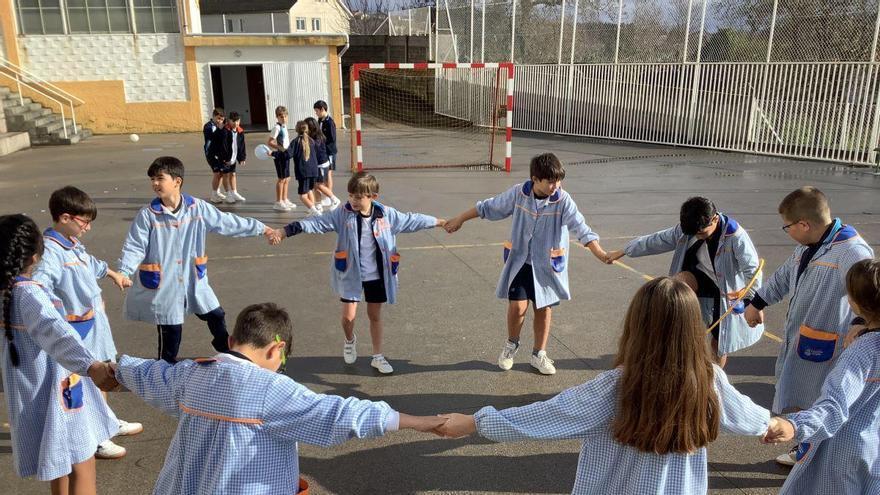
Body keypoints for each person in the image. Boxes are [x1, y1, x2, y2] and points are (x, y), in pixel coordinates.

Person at [436, 277, 771, 495]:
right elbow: (752, 418)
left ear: (636, 326)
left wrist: (475, 422)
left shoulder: (614, 387)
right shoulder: (710, 382)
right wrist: (783, 425)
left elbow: (546, 416)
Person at [112, 302, 446, 494]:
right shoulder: (272, 390)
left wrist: (111, 368)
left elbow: (143, 373)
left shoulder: (190, 373)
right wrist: (423, 423)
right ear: (278, 349)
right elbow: (339, 414)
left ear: (231, 340)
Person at [743, 186, 874, 466]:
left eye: (787, 226)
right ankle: (806, 447)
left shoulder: (851, 250)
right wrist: (758, 302)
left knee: (821, 400)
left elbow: (869, 289)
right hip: (805, 340)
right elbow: (782, 277)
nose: (787, 231)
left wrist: (861, 322)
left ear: (804, 224)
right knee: (799, 394)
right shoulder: (807, 247)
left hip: (828, 344)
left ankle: (813, 456)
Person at [444, 153, 608, 375]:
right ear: (535, 179)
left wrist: (599, 251)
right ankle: (512, 344)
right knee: (517, 306)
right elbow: (489, 207)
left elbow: (581, 227)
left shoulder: (563, 200)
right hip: (521, 261)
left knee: (543, 308)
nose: (555, 186)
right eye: (550, 181)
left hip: (547, 265)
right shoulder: (519, 194)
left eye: (558, 180)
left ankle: (539, 354)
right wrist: (460, 218)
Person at [268, 172, 445, 374]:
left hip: (377, 275)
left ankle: (378, 356)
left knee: (374, 315)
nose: (353, 200)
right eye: (351, 195)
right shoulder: (342, 214)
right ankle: (350, 340)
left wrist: (438, 222)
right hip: (351, 273)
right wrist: (284, 231)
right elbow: (315, 223)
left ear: (373, 197)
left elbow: (412, 220)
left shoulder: (386, 214)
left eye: (359, 197)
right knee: (348, 317)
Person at [0, 214, 118, 494]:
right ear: (35, 257)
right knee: (82, 459)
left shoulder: (7, 291)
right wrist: (92, 366)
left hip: (31, 390)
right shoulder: (29, 293)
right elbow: (56, 332)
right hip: (59, 392)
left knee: (60, 461)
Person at [117, 156, 275, 363]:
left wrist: (261, 228)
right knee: (171, 331)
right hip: (165, 284)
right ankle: (164, 371)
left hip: (194, 279)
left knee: (216, 315)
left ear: (177, 181)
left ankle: (225, 351)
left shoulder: (198, 209)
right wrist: (123, 270)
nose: (155, 184)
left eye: (159, 178)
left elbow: (228, 223)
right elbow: (134, 245)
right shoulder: (148, 215)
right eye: (152, 180)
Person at [33, 186, 143, 460]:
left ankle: (105, 422)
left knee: (102, 375)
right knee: (85, 383)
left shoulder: (72, 245)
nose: (88, 228)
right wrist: (59, 318)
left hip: (96, 327)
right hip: (77, 330)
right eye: (84, 221)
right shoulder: (51, 252)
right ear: (66, 217)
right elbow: (40, 288)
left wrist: (113, 274)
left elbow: (91, 263)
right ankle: (96, 439)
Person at [762, 259, 880, 493]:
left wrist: (793, 425)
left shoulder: (861, 352)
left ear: (855, 303)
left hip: (845, 452)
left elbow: (835, 406)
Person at [606, 197, 763, 367]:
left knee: (720, 342)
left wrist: (754, 304)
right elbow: (656, 240)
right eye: (694, 234)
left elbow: (753, 271)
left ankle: (713, 381)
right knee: (677, 285)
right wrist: (624, 250)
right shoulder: (686, 229)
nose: (697, 236)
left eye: (701, 233)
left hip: (725, 290)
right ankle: (673, 334)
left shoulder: (735, 236)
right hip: (698, 276)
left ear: (715, 219)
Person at [273, 121, 321, 217]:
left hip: (304, 172)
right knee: (309, 190)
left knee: (302, 196)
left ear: (296, 129)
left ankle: (315, 211)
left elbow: (287, 154)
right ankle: (312, 210)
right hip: (314, 171)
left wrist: (273, 154)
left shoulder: (296, 142)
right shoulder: (312, 141)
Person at [209, 111, 247, 204]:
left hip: (233, 158)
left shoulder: (240, 131)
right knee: (225, 175)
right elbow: (221, 145)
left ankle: (234, 192)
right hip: (224, 158)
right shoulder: (224, 131)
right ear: (229, 121)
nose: (236, 123)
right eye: (233, 121)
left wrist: (242, 158)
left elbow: (241, 146)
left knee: (233, 174)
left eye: (238, 121)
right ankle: (228, 194)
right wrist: (224, 158)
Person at [304, 116, 341, 210]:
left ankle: (334, 199)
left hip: (321, 165)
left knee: (318, 185)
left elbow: (314, 153)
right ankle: (319, 204)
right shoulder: (317, 137)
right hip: (319, 164)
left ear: (311, 128)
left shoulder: (316, 139)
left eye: (306, 127)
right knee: (316, 186)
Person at [268, 105, 295, 212]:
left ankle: (284, 199)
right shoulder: (277, 128)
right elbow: (270, 142)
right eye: (281, 117)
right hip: (280, 156)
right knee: (281, 179)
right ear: (277, 117)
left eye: (285, 116)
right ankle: (278, 202)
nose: (283, 119)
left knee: (287, 178)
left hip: (286, 155)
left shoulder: (284, 127)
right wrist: (281, 149)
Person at [314, 100, 337, 207]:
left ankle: (329, 197)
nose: (316, 113)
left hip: (329, 152)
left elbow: (332, 138)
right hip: (323, 152)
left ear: (323, 109)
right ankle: (326, 196)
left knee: (328, 174)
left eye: (317, 111)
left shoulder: (329, 122)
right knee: (323, 175)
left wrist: (322, 143)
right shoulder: (319, 120)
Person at [203, 108, 227, 203]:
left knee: (221, 173)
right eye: (218, 118)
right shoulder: (208, 126)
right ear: (213, 116)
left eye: (221, 119)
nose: (220, 121)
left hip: (219, 153)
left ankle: (217, 191)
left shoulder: (220, 126)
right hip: (211, 153)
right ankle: (213, 194)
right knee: (216, 173)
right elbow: (211, 137)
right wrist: (219, 129)